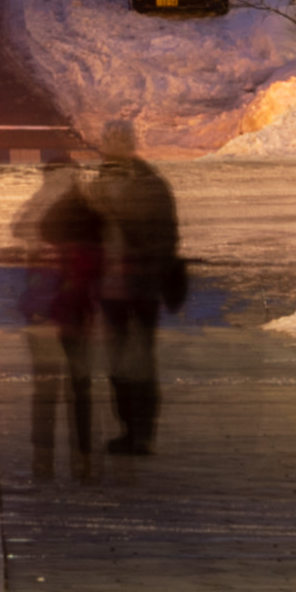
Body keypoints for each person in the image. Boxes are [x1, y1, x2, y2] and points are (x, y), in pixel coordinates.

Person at [87, 122, 189, 452]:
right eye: (109, 139)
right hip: (118, 287)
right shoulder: (107, 182)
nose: (111, 145)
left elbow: (165, 237)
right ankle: (134, 431)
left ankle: (138, 432)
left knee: (134, 360)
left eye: (117, 140)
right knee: (126, 360)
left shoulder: (142, 184)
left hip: (134, 286)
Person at [23, 142, 111, 473]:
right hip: (76, 312)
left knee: (47, 388)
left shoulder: (47, 213)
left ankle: (43, 459)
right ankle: (82, 458)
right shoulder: (88, 213)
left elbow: (28, 241)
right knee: (80, 387)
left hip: (48, 312)